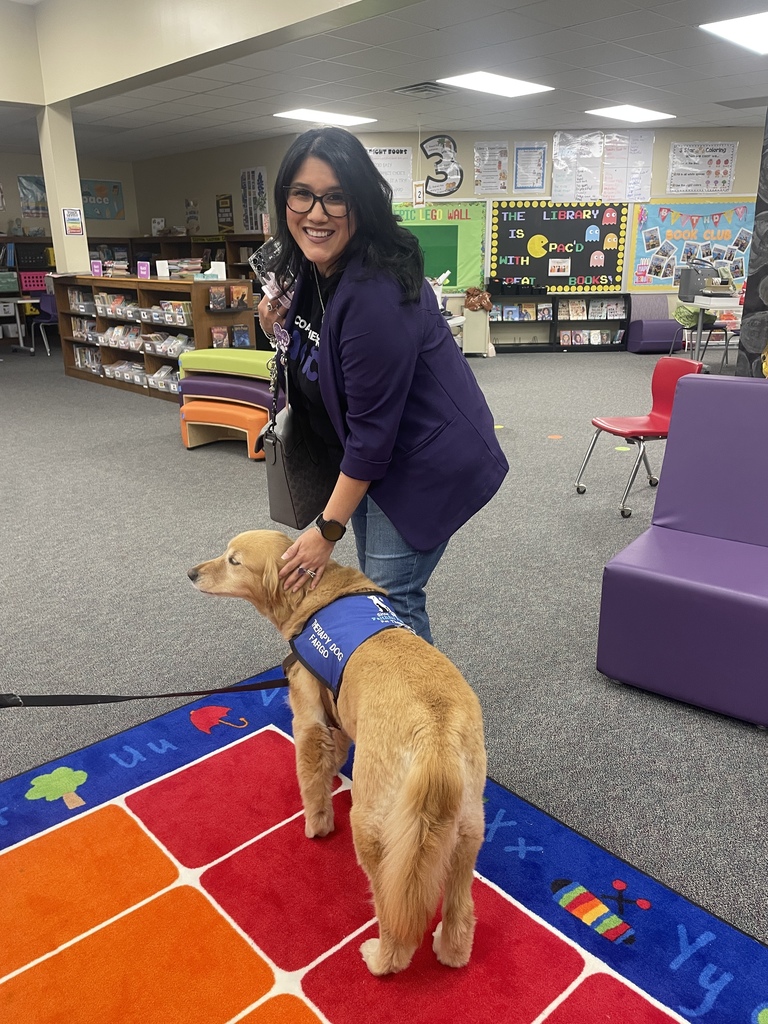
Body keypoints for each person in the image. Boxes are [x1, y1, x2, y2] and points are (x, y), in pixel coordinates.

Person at [257, 126, 508, 643]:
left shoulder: (374, 294)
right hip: (372, 456)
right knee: (376, 587)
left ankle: (422, 720)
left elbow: (375, 434)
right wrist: (273, 323)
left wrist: (327, 530)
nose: (316, 213)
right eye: (301, 194)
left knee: (392, 599)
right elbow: (311, 355)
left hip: (421, 459)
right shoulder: (313, 267)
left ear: (363, 203)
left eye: (335, 198)